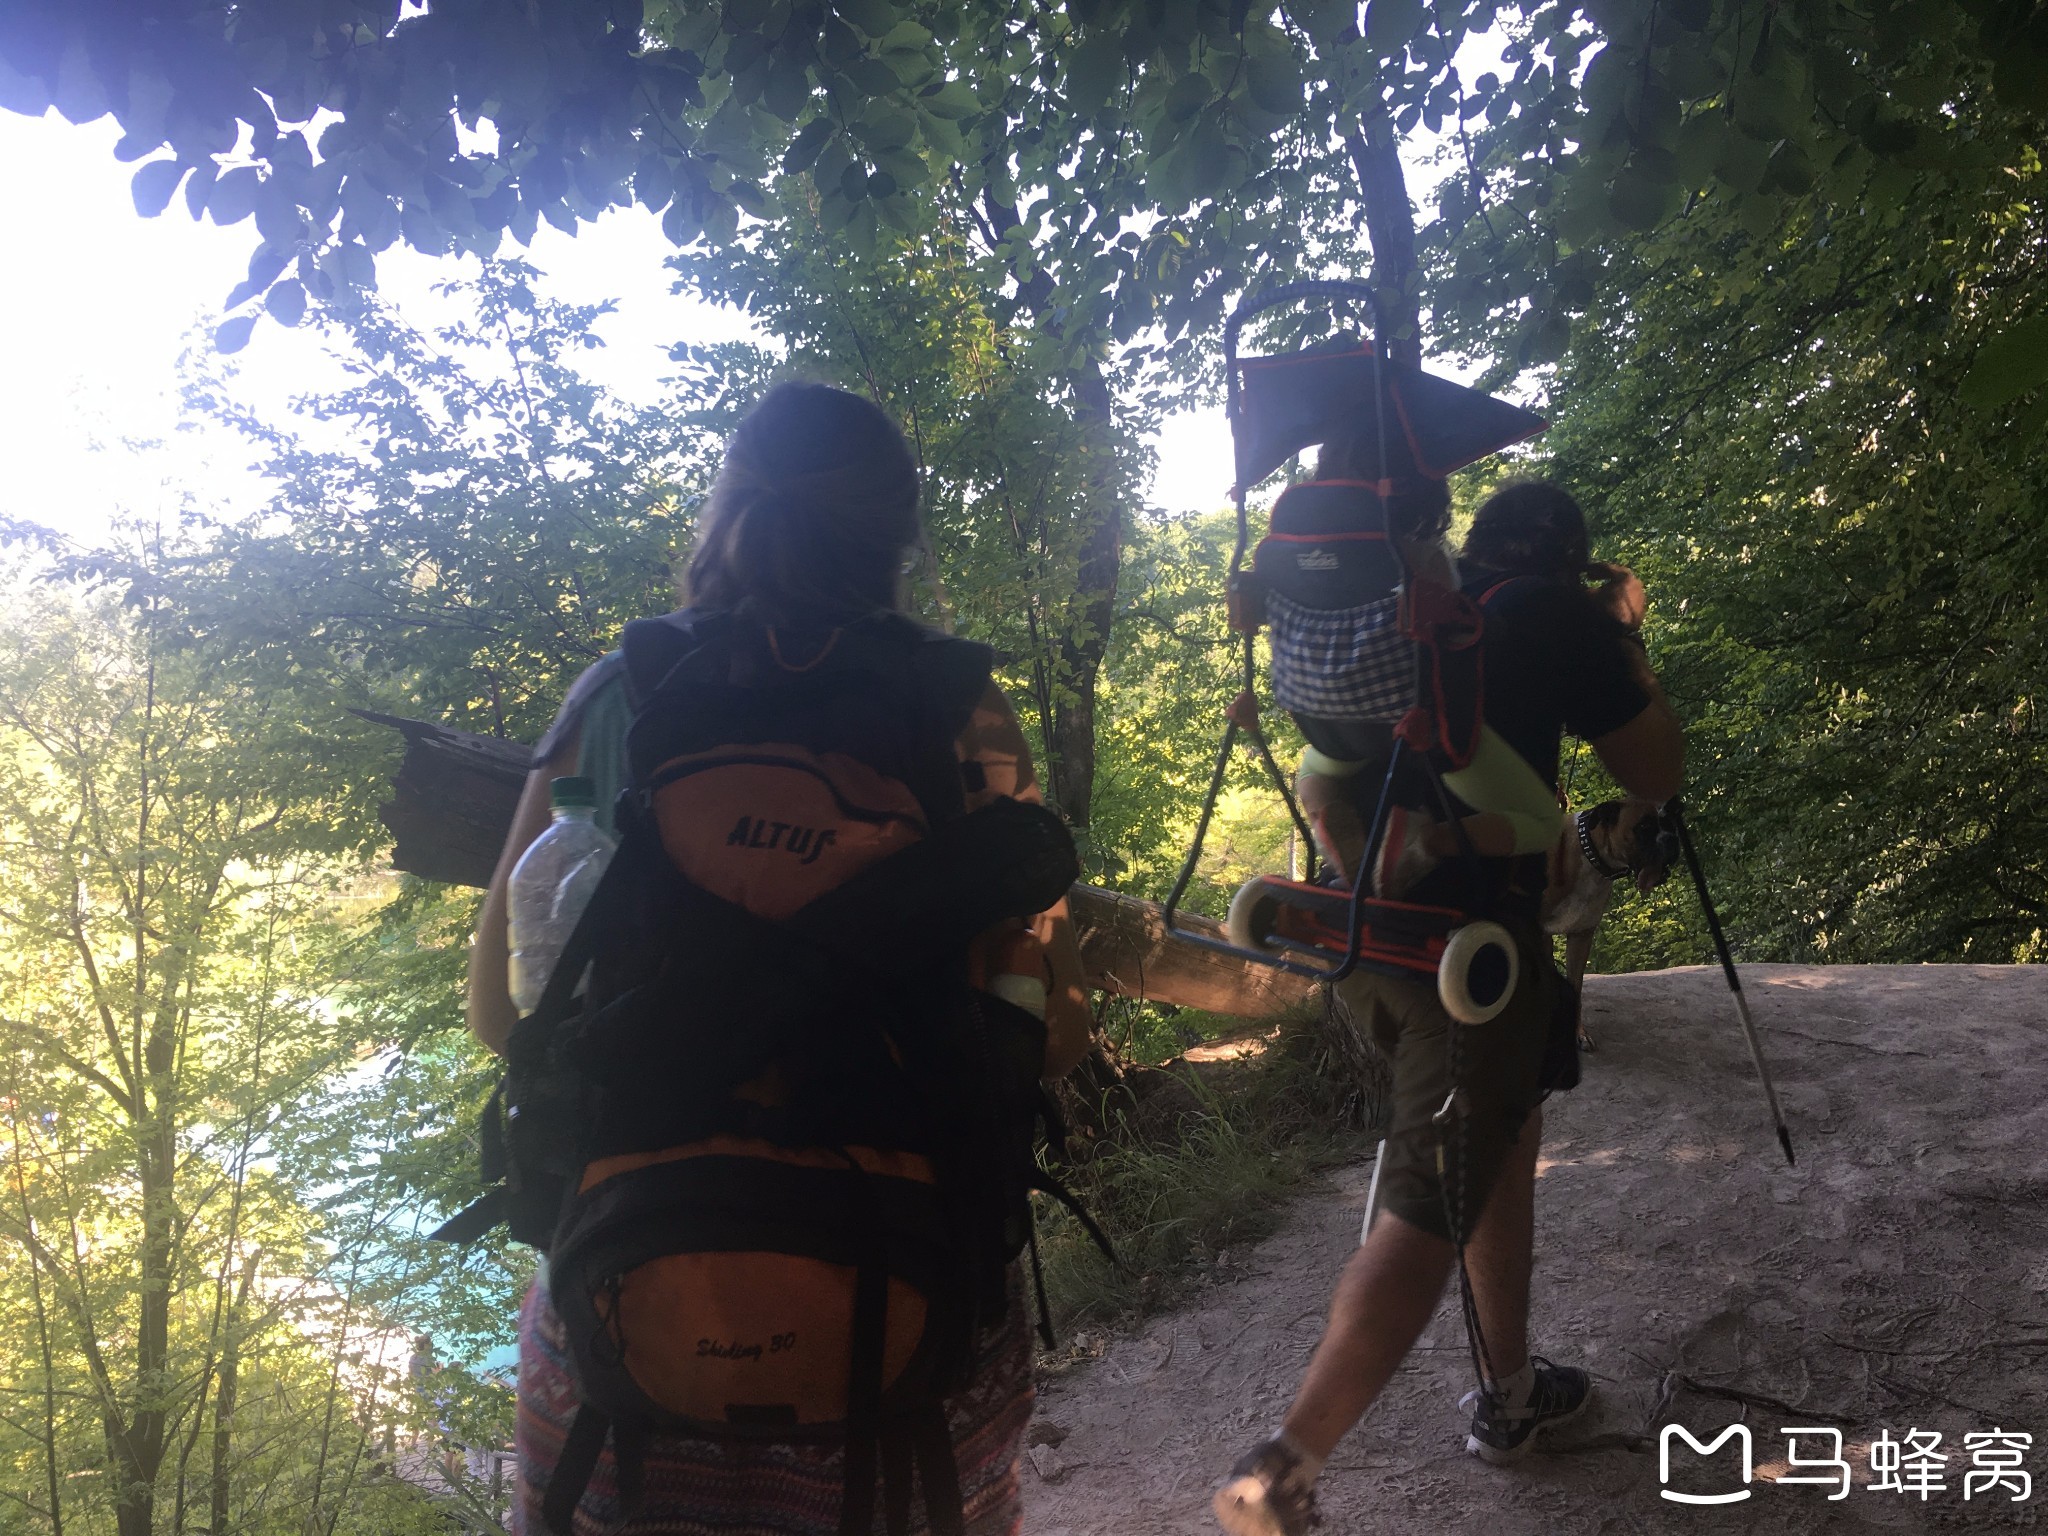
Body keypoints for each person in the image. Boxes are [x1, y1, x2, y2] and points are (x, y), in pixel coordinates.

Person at [466, 381, 1094, 1536]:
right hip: (911, 1311)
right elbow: (1045, 1041)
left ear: (725, 508)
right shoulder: (964, 715)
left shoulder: (620, 694)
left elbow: (505, 1020)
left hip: (628, 1308)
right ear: (900, 533)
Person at [1215, 479, 1683, 1535]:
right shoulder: (1551, 612)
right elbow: (1653, 769)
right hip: (1470, 960)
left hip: (1368, 949)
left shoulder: (1369, 616)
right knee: (1432, 1198)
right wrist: (1623, 643)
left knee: (1496, 1143)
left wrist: (1353, 855)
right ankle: (1285, 1461)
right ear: (1573, 557)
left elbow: (1321, 772)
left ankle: (1508, 1394)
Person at [1274, 430, 1570, 898]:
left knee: (1313, 775)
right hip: (1423, 728)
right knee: (1545, 822)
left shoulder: (1297, 560)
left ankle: (1328, 815)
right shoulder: (1423, 559)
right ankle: (1427, 841)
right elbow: (1461, 634)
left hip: (1334, 725)